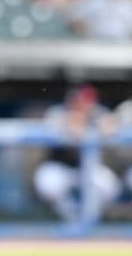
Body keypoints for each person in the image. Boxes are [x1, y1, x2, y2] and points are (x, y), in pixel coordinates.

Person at [33, 85, 121, 223]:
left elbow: (111, 124)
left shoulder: (96, 112)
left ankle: (93, 221)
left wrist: (102, 126)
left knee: (109, 186)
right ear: (72, 101)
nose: (85, 105)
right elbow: (59, 125)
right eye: (81, 101)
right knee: (47, 182)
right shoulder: (58, 112)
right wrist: (71, 126)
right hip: (61, 167)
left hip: (87, 168)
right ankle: (70, 217)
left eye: (88, 102)